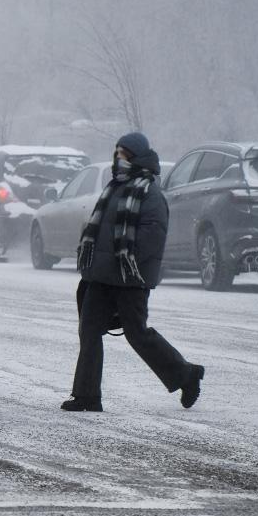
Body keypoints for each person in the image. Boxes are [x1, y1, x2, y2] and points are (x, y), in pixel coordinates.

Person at [64, 132, 205, 413]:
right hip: (100, 277)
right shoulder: (114, 187)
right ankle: (87, 396)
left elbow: (152, 238)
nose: (119, 158)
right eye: (117, 153)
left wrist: (125, 266)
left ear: (136, 157)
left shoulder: (149, 192)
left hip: (130, 278)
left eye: (124, 154)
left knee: (137, 334)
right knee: (89, 330)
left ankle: (186, 374)